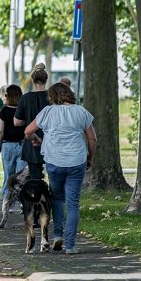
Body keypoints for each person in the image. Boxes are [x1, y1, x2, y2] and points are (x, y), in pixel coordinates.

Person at [24, 82, 96, 255]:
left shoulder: (48, 111)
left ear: (52, 96)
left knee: (57, 198)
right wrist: (90, 158)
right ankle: (70, 246)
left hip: (54, 162)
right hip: (76, 161)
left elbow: (27, 131)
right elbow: (93, 139)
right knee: (73, 203)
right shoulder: (81, 111)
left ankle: (57, 236)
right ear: (69, 94)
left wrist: (36, 139)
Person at [14, 63, 50, 180]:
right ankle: (53, 197)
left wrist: (30, 121)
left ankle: (39, 197)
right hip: (51, 140)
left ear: (33, 80)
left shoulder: (25, 98)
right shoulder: (52, 97)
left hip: (31, 139)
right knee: (54, 176)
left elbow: (17, 122)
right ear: (46, 79)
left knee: (35, 178)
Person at [0, 84, 27, 199]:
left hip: (7, 146)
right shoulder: (23, 110)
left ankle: (6, 201)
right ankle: (22, 201)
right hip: (22, 145)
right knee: (21, 176)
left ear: (7, 96)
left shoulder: (3, 111)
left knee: (8, 176)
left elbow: (0, 131)